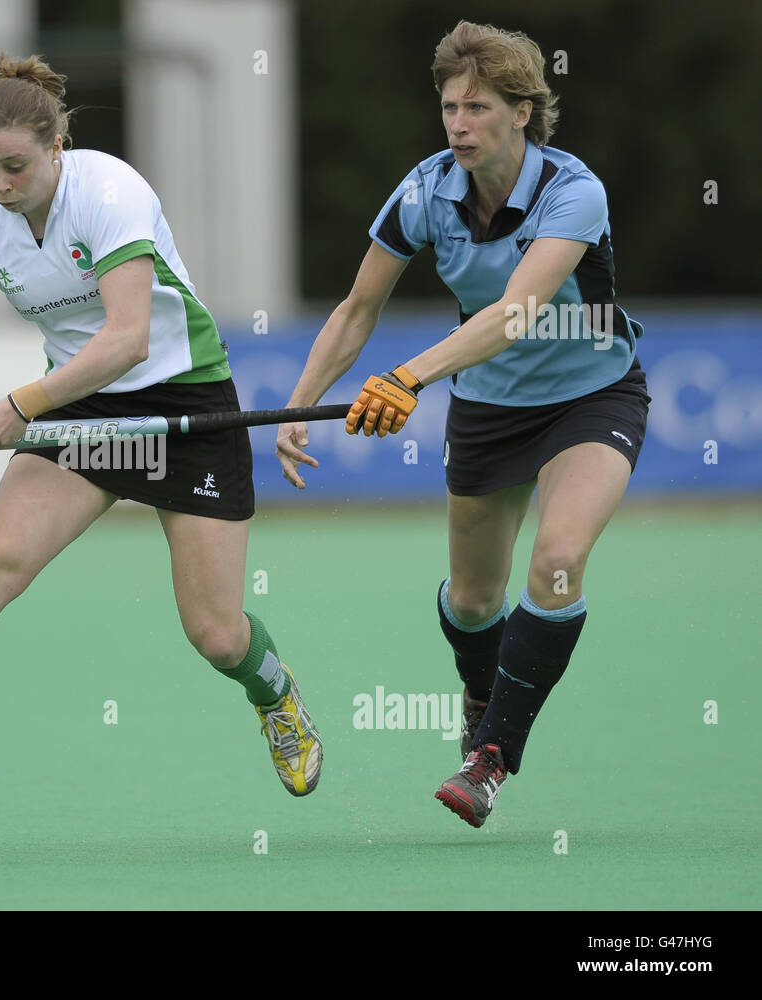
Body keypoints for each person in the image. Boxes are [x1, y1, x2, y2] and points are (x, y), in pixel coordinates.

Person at [0, 53, 322, 808]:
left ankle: (276, 697)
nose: (1, 186)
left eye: (15, 167)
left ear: (56, 147)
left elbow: (127, 339)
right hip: (83, 415)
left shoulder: (110, 192)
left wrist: (21, 404)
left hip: (183, 405)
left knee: (216, 634)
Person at [276, 21, 650, 828]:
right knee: (476, 604)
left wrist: (410, 375)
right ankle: (483, 692)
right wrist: (304, 404)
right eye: (449, 106)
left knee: (555, 563)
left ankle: (490, 757)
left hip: (593, 395)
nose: (457, 123)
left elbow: (517, 311)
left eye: (477, 107)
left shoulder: (572, 189)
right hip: (489, 407)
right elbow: (356, 309)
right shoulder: (423, 192)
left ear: (523, 112)